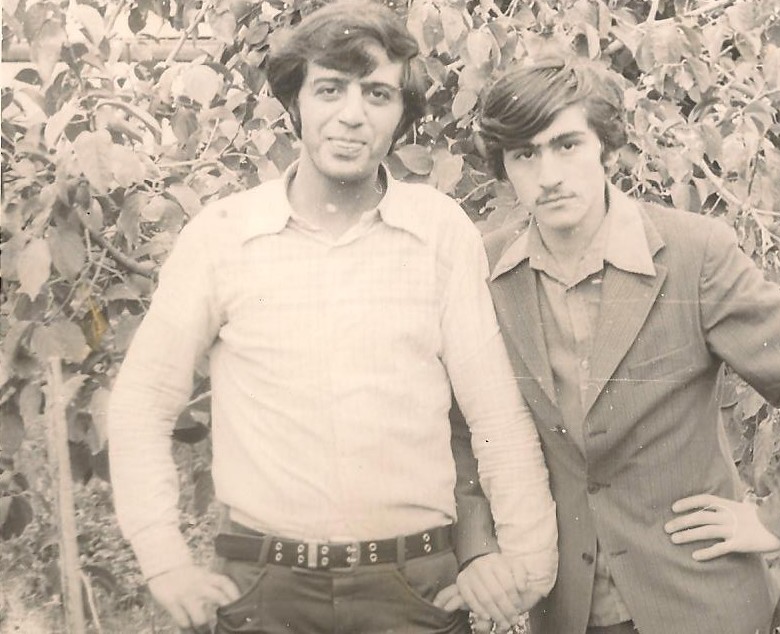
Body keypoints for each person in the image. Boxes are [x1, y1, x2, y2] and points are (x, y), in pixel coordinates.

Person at [107, 3, 557, 632]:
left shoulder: (439, 230)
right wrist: (163, 562)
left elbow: (497, 418)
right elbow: (142, 405)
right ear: (296, 101)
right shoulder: (223, 235)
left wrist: (527, 565)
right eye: (329, 89)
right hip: (264, 589)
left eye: (377, 94)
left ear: (401, 113)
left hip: (414, 587)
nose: (352, 114)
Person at [453, 59, 780, 634]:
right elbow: (460, 423)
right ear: (503, 166)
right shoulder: (487, 268)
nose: (548, 175)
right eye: (525, 154)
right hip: (568, 610)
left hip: (699, 602)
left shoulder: (693, 254)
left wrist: (777, 519)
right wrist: (477, 547)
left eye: (567, 145)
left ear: (607, 149)